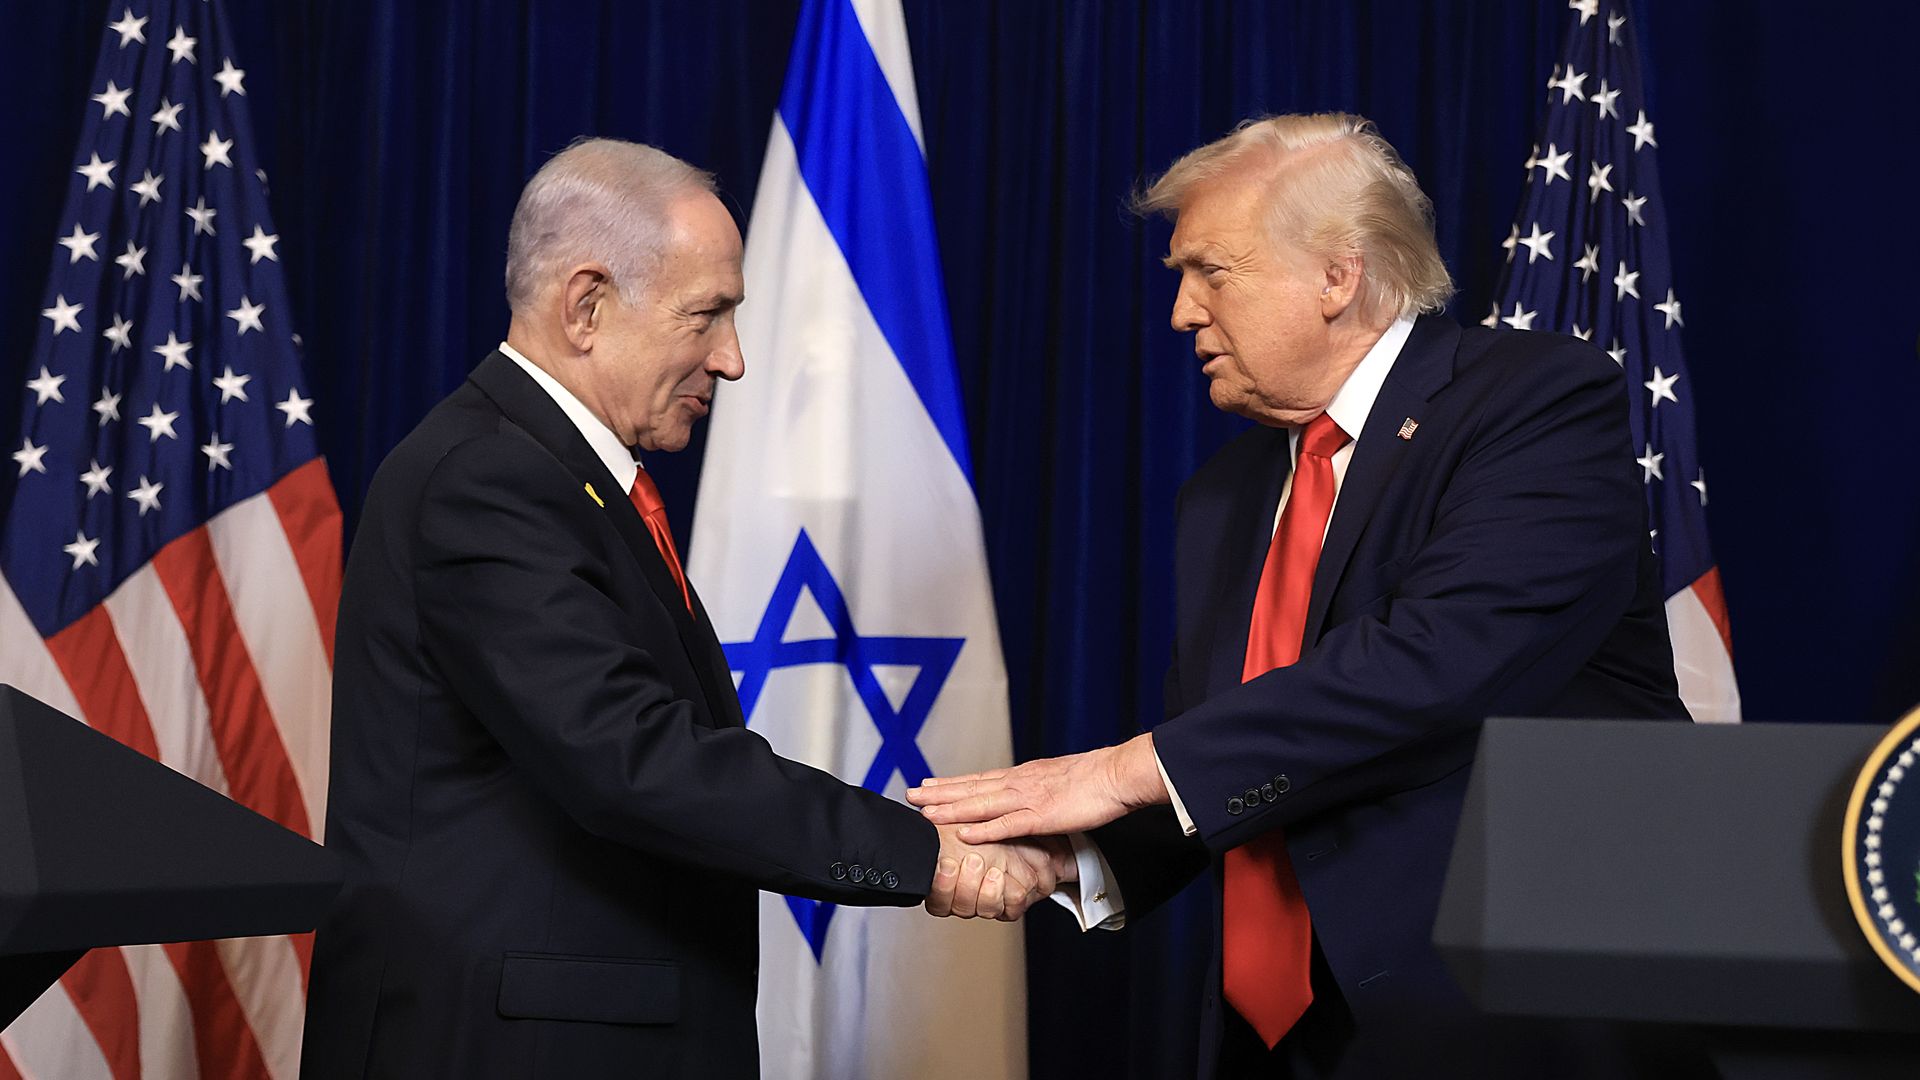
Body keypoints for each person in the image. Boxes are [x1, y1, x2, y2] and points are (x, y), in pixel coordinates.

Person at [910, 114, 1691, 1078]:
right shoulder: (1225, 495)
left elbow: (1437, 661)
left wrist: (1118, 771)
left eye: (1211, 272)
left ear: (1337, 275)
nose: (1182, 313)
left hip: (1507, 1027)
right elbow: (1234, 749)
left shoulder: (1536, 403)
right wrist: (1076, 858)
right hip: (1276, 1040)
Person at [302, 139, 1067, 1080]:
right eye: (707, 315)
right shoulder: (487, 479)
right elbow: (631, 758)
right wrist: (927, 854)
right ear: (586, 306)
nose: (733, 360)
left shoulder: (559, 477)